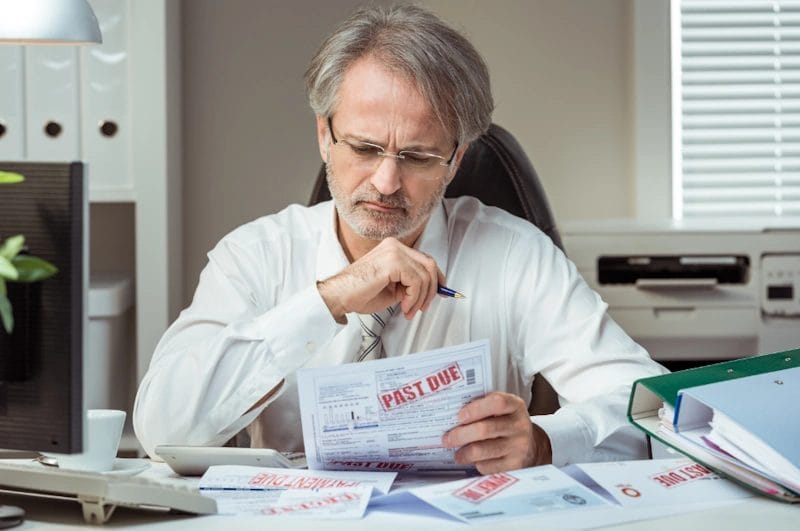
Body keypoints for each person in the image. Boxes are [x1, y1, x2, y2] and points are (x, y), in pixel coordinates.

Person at [134, 4, 666, 474]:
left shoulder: (515, 256)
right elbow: (162, 430)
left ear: (456, 158)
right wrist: (327, 300)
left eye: (417, 156)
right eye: (365, 148)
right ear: (325, 134)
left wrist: (547, 442)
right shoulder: (255, 256)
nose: (386, 183)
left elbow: (656, 411)